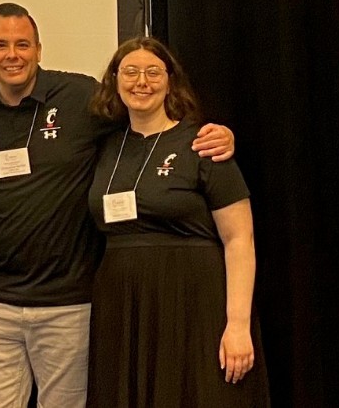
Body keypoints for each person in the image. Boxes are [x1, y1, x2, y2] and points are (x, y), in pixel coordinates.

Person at [0, 3, 235, 408]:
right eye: (1, 45)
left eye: (22, 44)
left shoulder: (79, 96)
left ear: (39, 49)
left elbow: (149, 115)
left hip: (67, 305)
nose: (12, 54)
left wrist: (214, 134)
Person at [85, 37, 269, 406]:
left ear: (170, 80)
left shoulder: (203, 143)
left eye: (153, 72)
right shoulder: (104, 146)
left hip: (194, 304)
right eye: (131, 72)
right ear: (114, 80)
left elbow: (239, 240)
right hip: (123, 308)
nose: (142, 82)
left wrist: (237, 324)